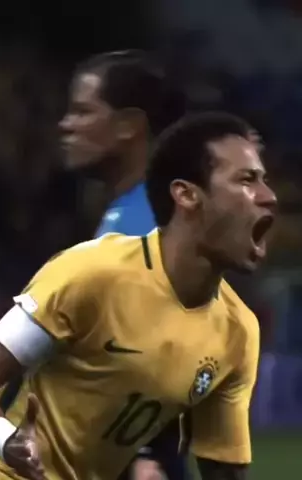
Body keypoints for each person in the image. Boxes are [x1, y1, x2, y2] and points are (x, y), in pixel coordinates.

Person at [0, 111, 277, 480]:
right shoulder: (93, 272)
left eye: (264, 181)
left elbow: (222, 469)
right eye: (246, 180)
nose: (269, 197)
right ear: (187, 195)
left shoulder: (238, 331)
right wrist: (7, 441)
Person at [59, 49, 186, 480]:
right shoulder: (133, 210)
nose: (66, 124)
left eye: (82, 111)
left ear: (129, 125)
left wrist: (145, 451)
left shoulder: (148, 223)